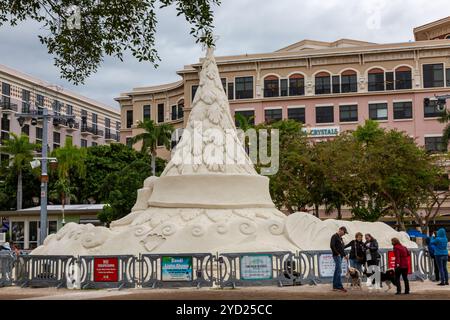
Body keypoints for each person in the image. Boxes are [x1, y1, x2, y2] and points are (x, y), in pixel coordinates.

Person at [330, 226, 349, 292]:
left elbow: (342, 248)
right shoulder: (334, 236)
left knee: (337, 271)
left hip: (339, 256)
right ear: (340, 230)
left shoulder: (340, 238)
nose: (344, 234)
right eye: (344, 232)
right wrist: (337, 253)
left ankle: (335, 286)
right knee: (338, 271)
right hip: (337, 256)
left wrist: (344, 255)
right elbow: (332, 246)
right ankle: (339, 286)